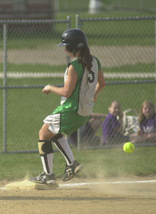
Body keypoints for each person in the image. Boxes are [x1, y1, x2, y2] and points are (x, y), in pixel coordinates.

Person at [29, 28, 106, 187]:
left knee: (43, 133)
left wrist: (50, 87)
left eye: (66, 46)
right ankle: (71, 164)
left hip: (71, 109)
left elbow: (66, 91)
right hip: (84, 112)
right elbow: (102, 83)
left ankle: (48, 176)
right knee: (53, 133)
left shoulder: (74, 66)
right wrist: (93, 95)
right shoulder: (95, 61)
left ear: (74, 48)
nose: (64, 49)